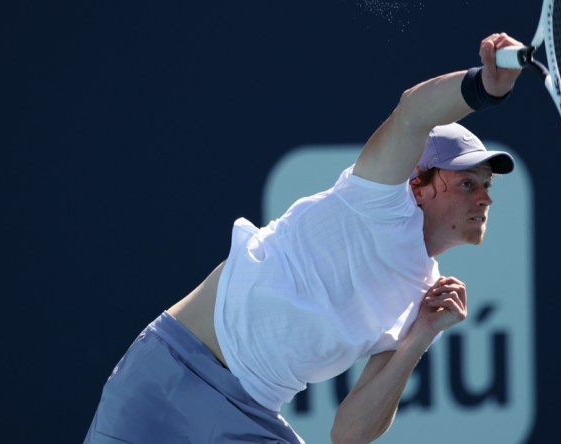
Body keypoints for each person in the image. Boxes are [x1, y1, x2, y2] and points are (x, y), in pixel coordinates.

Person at [84, 32, 523, 444]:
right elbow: (413, 112)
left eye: (488, 185)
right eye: (468, 183)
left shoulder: (424, 300)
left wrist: (423, 333)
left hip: (249, 416)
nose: (485, 198)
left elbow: (348, 433)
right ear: (418, 185)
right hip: (166, 377)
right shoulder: (379, 201)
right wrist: (484, 86)